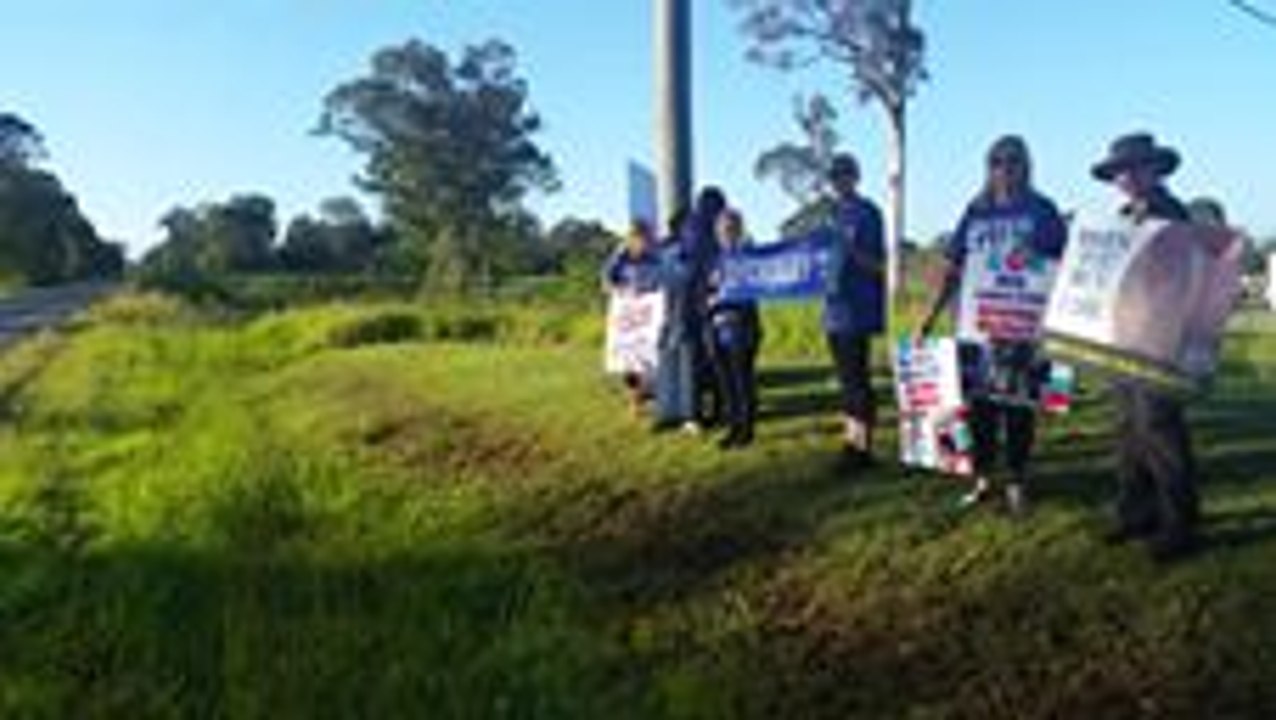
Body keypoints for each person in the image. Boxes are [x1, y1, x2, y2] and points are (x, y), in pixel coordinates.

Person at [918, 135, 1067, 515]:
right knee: (977, 409)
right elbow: (953, 268)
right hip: (974, 329)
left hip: (1024, 329)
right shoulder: (976, 210)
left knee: (1020, 407)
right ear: (988, 167)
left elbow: (1063, 270)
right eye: (996, 162)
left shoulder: (1043, 210)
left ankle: (1017, 481)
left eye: (1013, 161)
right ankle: (982, 478)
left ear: (1026, 165)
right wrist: (928, 318)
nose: (1004, 168)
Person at [1090, 132, 1200, 562]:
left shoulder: (1171, 214)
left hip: (1160, 338)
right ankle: (1135, 511)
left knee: (1160, 428)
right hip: (1123, 336)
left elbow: (1183, 277)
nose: (1127, 177)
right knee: (1129, 430)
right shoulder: (1120, 219)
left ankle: (1179, 523)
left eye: (1135, 168)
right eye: (1120, 171)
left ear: (1155, 170)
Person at [822, 153, 887, 470]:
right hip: (832, 310)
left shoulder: (868, 213)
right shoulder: (831, 214)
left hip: (857, 310)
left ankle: (862, 447)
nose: (838, 181)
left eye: (844, 175)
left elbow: (879, 266)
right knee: (845, 381)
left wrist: (851, 251)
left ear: (856, 177)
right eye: (834, 176)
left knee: (857, 380)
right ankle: (851, 441)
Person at [705, 208, 762, 449]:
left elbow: (755, 288)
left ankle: (746, 430)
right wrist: (711, 296)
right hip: (717, 327)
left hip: (742, 327)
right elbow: (708, 289)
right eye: (722, 229)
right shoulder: (715, 259)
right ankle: (733, 427)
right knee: (726, 382)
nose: (726, 233)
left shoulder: (748, 256)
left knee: (742, 380)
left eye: (731, 228)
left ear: (739, 230)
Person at [602, 220, 664, 417]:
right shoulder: (620, 257)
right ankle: (635, 401)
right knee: (629, 358)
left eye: (645, 237)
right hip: (628, 314)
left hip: (650, 313)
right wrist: (620, 292)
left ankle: (652, 395)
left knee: (651, 354)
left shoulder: (656, 256)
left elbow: (662, 279)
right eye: (637, 237)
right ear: (630, 238)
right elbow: (606, 282)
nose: (642, 241)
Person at [651, 209, 700, 433]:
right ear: (678, 228)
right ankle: (665, 415)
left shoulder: (697, 256)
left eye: (694, 227)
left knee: (687, 370)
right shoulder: (661, 253)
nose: (693, 231)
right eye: (689, 226)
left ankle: (689, 416)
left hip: (688, 319)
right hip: (662, 321)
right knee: (666, 370)